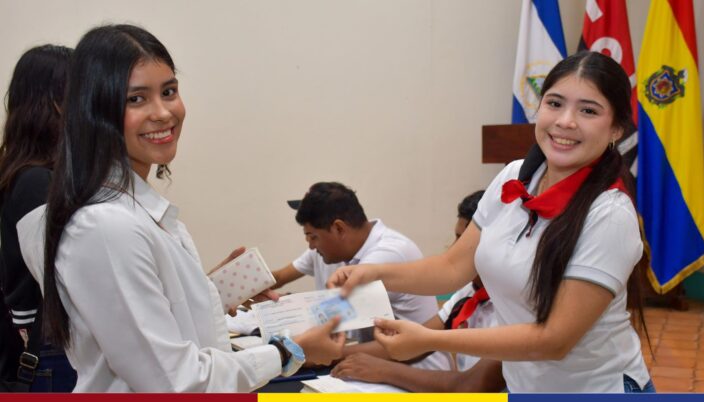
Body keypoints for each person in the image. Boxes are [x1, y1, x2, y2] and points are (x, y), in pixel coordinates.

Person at [15, 24, 344, 392]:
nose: (163, 113)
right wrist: (288, 353)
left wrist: (212, 291)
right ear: (95, 110)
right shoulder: (106, 226)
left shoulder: (133, 211)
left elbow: (156, 319)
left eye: (169, 91)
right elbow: (173, 382)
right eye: (136, 99)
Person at [328, 51, 654, 393]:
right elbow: (453, 267)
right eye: (554, 103)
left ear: (616, 127)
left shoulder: (610, 215)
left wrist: (429, 339)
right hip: (525, 387)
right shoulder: (514, 176)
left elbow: (554, 339)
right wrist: (375, 274)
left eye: (588, 110)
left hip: (597, 391)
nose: (565, 121)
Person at [331, 190, 506, 392]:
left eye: (463, 241)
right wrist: (336, 353)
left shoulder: (514, 305)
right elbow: (418, 342)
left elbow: (472, 386)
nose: (453, 249)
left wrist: (385, 371)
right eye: (456, 238)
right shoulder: (470, 292)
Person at [0, 44, 76, 392]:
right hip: (53, 359)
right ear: (55, 103)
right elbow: (69, 279)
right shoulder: (35, 182)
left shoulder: (32, 176)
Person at [273, 182, 438, 328]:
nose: (310, 245)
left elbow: (331, 318)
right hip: (370, 354)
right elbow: (279, 277)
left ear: (339, 229)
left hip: (412, 359)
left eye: (313, 237)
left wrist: (280, 306)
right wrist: (257, 290)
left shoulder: (387, 253)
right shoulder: (333, 249)